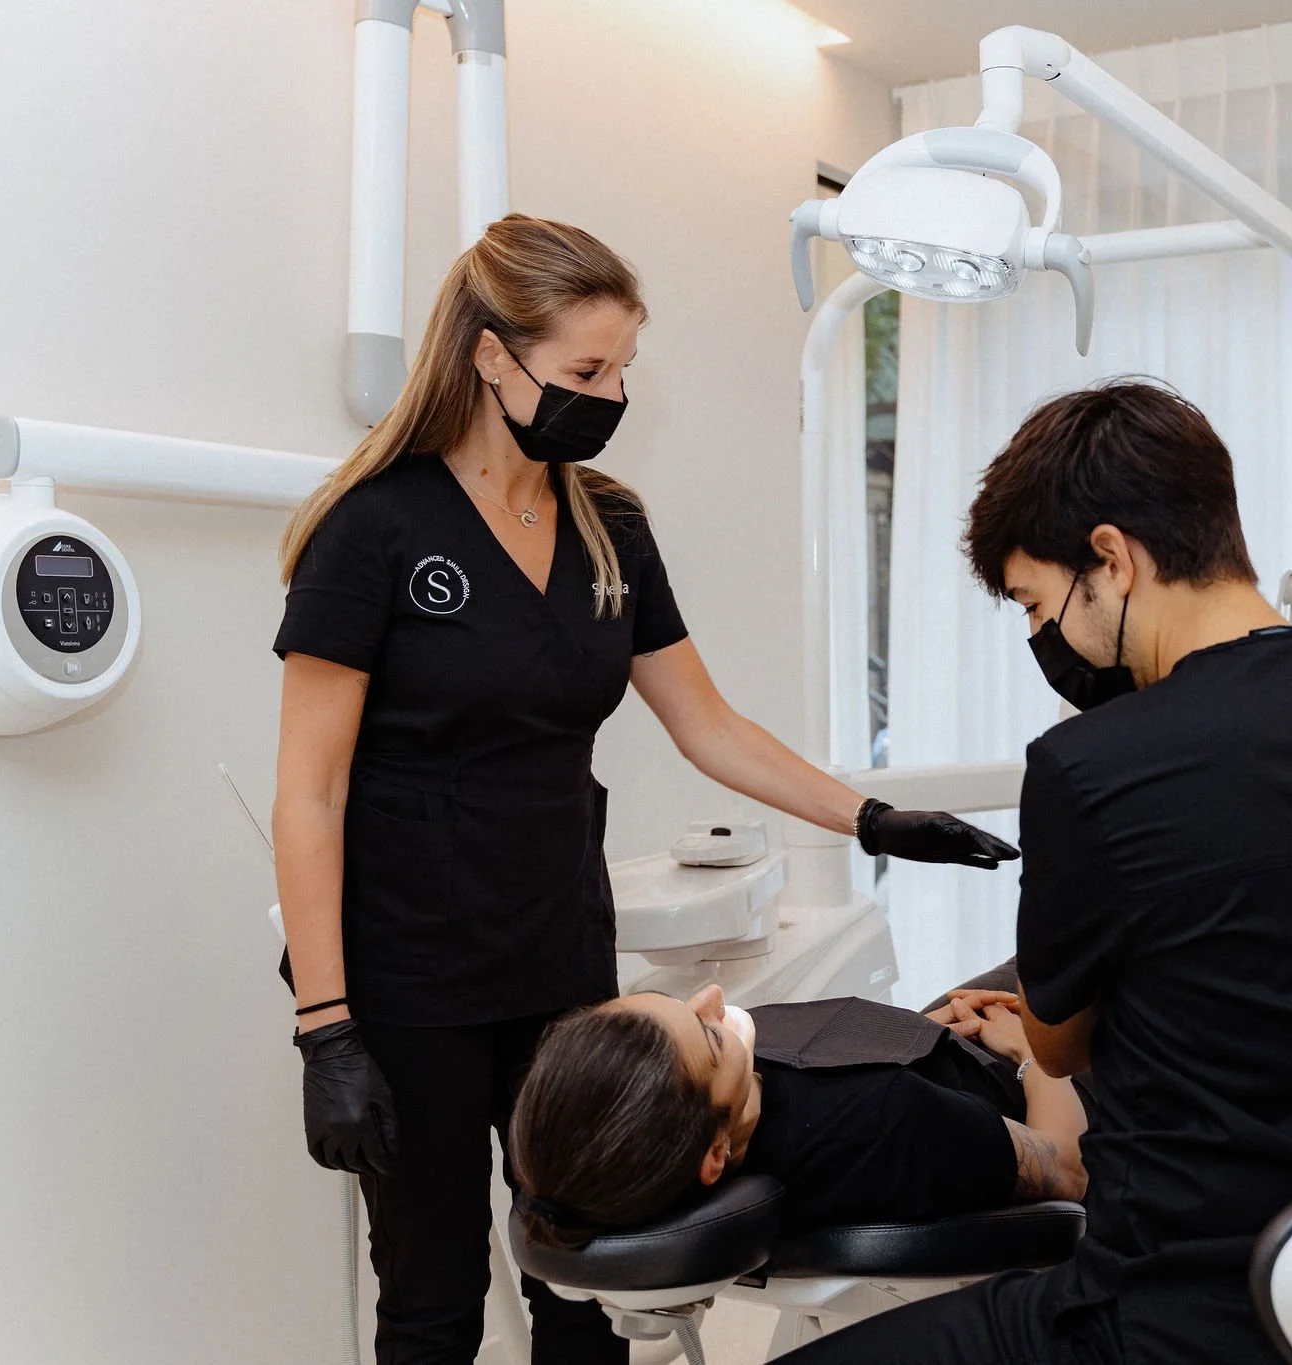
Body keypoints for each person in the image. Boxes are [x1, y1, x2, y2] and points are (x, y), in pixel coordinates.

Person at [269, 214, 1018, 1365]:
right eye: (584, 370)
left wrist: (870, 819)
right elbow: (308, 795)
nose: (608, 394)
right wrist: (326, 1030)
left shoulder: (605, 524)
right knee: (433, 1297)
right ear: (488, 356)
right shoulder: (373, 529)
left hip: (561, 968)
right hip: (406, 976)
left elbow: (707, 725)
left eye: (620, 370)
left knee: (591, 1287)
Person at [776, 378, 1292, 1365]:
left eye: (1033, 604)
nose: (1036, 640)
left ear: (1110, 557)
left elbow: (1057, 1050)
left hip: (1178, 1318)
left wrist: (1029, 1016)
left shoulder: (1087, 769)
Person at [509, 981, 1087, 1247]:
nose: (712, 997)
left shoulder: (721, 1117)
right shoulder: (889, 1118)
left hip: (942, 1048)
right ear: (714, 1154)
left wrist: (912, 1036)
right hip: (1069, 1090)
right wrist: (1033, 1053)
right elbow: (1066, 1170)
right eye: (709, 1038)